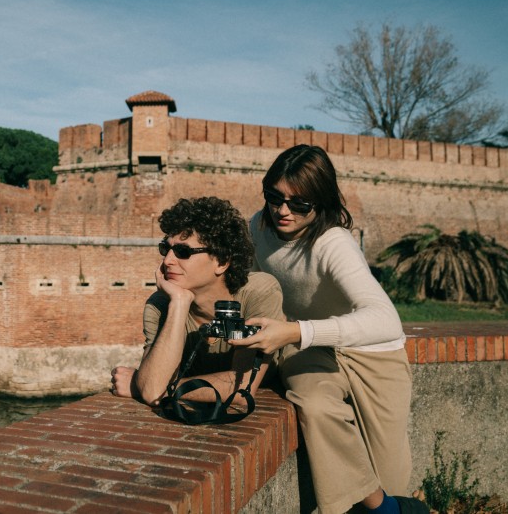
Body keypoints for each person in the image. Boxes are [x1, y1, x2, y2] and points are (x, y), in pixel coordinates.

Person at [230, 144, 426, 514]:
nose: (283, 210)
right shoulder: (259, 225)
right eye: (275, 197)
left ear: (320, 202)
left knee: (392, 481)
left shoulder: (333, 242)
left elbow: (385, 320)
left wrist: (294, 332)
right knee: (316, 405)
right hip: (311, 351)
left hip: (373, 356)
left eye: (299, 203)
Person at [110, 196, 284, 411]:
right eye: (166, 249)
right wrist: (180, 303)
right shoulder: (161, 305)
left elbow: (240, 388)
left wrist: (161, 387)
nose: (167, 261)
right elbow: (152, 388)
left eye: (183, 252)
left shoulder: (259, 292)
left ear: (221, 261)